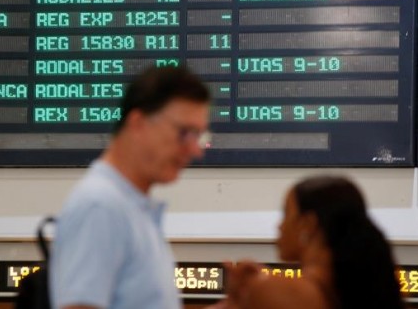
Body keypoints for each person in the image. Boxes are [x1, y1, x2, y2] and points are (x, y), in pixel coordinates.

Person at [50, 66, 211, 309]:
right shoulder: (100, 207)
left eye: (199, 136)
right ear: (138, 123)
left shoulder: (132, 211)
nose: (195, 150)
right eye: (184, 133)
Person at [212, 176, 405, 309]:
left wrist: (237, 298)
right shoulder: (373, 290)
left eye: (286, 214)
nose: (280, 226)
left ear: (308, 224)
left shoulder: (267, 290)